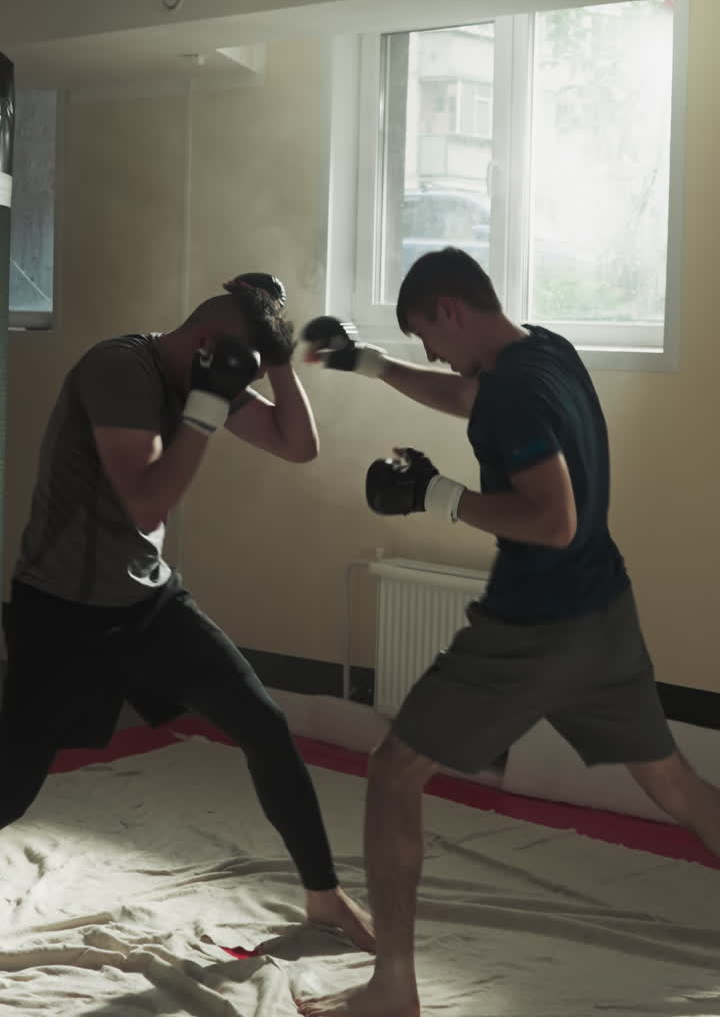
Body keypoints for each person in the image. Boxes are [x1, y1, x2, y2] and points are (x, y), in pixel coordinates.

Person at [299, 247, 720, 1017]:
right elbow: (469, 400)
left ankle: (393, 989)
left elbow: (551, 522)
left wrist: (437, 495)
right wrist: (371, 364)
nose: (432, 354)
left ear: (451, 309)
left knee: (394, 772)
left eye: (428, 335)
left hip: (534, 626)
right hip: (605, 612)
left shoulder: (515, 395)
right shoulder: (543, 351)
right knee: (676, 786)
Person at [0, 272, 373, 952]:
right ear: (206, 344)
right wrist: (208, 405)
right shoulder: (120, 369)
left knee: (263, 723)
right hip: (64, 610)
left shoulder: (203, 377)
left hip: (147, 600)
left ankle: (324, 895)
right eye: (237, 369)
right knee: (14, 783)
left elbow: (298, 444)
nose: (240, 387)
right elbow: (146, 500)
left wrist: (278, 353)